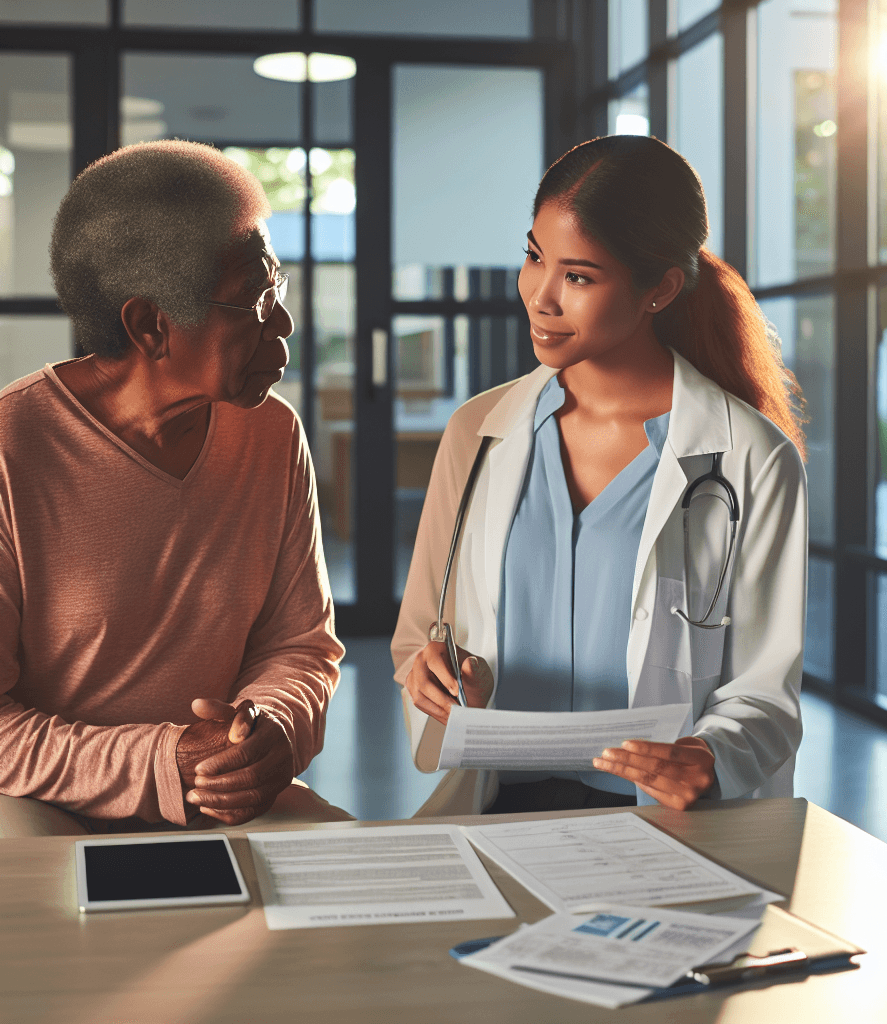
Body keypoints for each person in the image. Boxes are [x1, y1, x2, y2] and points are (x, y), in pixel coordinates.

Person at [392, 135, 807, 816]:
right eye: (534, 257)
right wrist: (435, 674)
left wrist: (709, 755)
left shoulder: (751, 458)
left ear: (660, 289)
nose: (540, 297)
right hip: (499, 808)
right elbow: (420, 636)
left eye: (579, 276)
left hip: (660, 818)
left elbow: (764, 691)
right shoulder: (479, 432)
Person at [0, 140, 353, 836]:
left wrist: (272, 728)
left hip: (215, 787)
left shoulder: (271, 435)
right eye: (255, 303)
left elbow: (300, 645)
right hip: (41, 801)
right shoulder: (13, 450)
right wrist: (163, 759)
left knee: (351, 881)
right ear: (152, 325)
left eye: (276, 289)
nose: (281, 324)